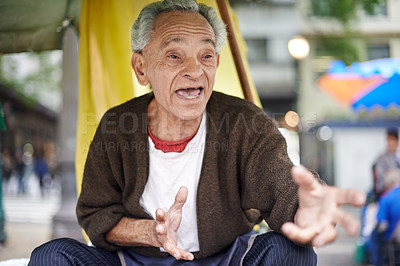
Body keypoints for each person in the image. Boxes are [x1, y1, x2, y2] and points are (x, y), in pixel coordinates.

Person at [28, 0, 366, 265]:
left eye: (206, 55)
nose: (195, 70)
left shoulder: (245, 123)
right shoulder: (116, 125)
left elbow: (281, 186)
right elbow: (95, 215)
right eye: (175, 55)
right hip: (136, 260)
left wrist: (307, 208)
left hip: (227, 258)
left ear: (217, 63)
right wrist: (151, 233)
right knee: (51, 256)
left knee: (292, 252)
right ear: (141, 67)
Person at [374, 127, 400, 199]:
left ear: (397, 141)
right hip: (388, 192)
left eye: (392, 139)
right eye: (388, 139)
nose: (390, 142)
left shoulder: (398, 156)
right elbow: (380, 182)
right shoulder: (382, 159)